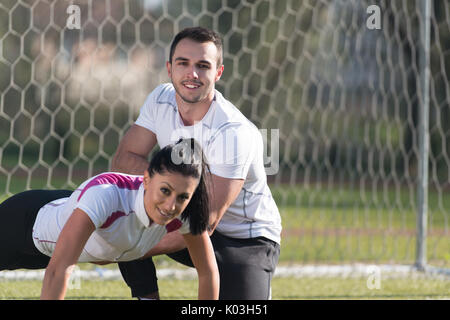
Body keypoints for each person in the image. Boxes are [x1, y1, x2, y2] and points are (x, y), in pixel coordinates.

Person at [112, 27, 282, 300]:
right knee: (124, 208)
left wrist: (133, 247)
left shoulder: (233, 131)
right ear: (169, 68)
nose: (192, 74)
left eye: (203, 66)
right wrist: (161, 188)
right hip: (183, 217)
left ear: (218, 73)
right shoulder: (160, 99)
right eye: (183, 63)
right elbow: (123, 160)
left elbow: (206, 222)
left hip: (245, 239)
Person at [0, 138, 219, 300]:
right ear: (146, 179)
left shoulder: (185, 212)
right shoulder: (106, 196)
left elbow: (208, 272)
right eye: (165, 190)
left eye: (182, 197)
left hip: (71, 243)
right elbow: (60, 270)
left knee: (130, 235)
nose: (171, 205)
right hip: (24, 224)